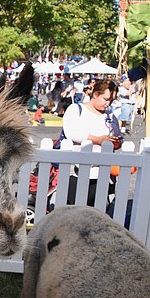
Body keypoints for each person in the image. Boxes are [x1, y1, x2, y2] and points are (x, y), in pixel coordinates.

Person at [61, 78, 122, 206]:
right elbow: (72, 133)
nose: (108, 103)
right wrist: (97, 140)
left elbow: (117, 134)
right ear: (95, 95)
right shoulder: (76, 109)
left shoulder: (110, 115)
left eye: (111, 100)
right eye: (106, 99)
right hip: (78, 172)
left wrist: (117, 142)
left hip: (104, 173)